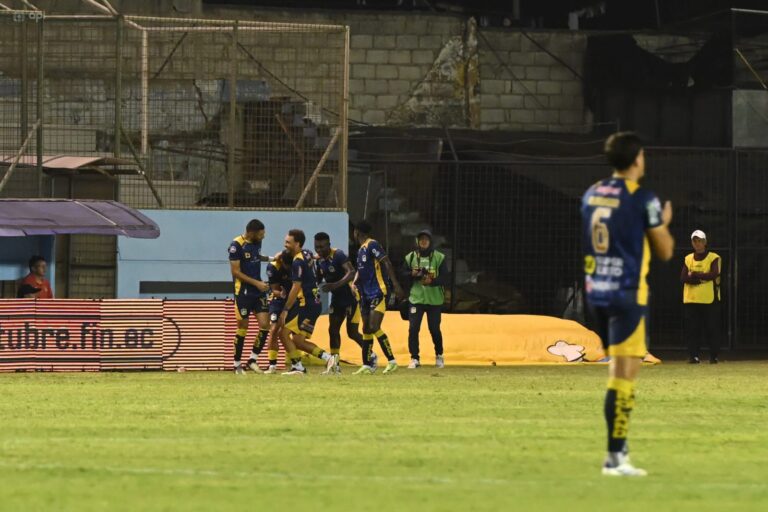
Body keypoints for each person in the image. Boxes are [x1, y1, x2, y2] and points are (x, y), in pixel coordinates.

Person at [581, 132, 674, 477]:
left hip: (597, 291)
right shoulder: (642, 198)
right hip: (626, 293)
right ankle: (616, 456)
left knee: (615, 373)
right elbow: (664, 250)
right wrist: (662, 222)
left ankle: (616, 454)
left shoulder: (592, 193)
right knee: (625, 376)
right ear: (636, 159)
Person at [278, 229, 337, 375]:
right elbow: (314, 258)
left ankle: (297, 367)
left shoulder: (297, 261)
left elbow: (295, 287)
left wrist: (285, 309)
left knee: (283, 333)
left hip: (306, 305)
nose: (285, 245)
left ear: (297, 243)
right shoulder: (307, 253)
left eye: (288, 242)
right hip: (314, 303)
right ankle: (329, 358)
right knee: (298, 341)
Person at [351, 220, 406, 375]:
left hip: (377, 291)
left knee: (374, 326)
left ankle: (392, 361)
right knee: (366, 328)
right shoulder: (361, 249)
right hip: (364, 294)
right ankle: (367, 365)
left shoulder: (372, 244)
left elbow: (386, 262)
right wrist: (355, 281)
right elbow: (362, 269)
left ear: (357, 232)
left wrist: (396, 285)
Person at [314, 232, 370, 373]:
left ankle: (370, 356)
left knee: (352, 333)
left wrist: (335, 285)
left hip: (351, 298)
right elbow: (319, 279)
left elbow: (351, 272)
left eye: (321, 247)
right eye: (316, 247)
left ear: (328, 245)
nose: (319, 250)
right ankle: (335, 364)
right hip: (337, 300)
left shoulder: (338, 255)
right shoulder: (319, 261)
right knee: (333, 330)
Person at [229, 219, 272, 375]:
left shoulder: (256, 243)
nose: (263, 236)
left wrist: (272, 259)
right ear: (252, 233)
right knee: (242, 328)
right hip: (243, 293)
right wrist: (257, 283)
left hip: (258, 291)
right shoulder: (236, 245)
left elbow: (256, 257)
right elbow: (236, 272)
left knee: (265, 325)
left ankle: (252, 359)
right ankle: (237, 364)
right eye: (261, 234)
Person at [402, 229, 448, 369]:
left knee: (434, 328)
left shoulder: (439, 257)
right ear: (417, 241)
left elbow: (445, 278)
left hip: (435, 300)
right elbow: (402, 274)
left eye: (426, 239)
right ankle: (414, 358)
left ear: (430, 241)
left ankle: (439, 355)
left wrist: (431, 281)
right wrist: (412, 274)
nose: (423, 242)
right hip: (416, 299)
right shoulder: (410, 257)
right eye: (421, 239)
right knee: (413, 328)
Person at [680, 229, 721, 364]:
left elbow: (713, 274)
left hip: (709, 299)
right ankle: (694, 356)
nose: (697, 244)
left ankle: (713, 356)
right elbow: (683, 278)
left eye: (700, 241)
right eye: (695, 241)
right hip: (691, 299)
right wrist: (699, 279)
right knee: (692, 329)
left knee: (711, 328)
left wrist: (695, 275)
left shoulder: (714, 257)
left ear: (705, 242)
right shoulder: (688, 258)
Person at [263, 250, 294, 374]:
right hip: (278, 300)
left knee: (291, 333)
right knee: (274, 329)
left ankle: (296, 363)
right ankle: (272, 365)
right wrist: (280, 294)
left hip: (293, 300)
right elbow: (273, 289)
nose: (289, 268)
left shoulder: (296, 263)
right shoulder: (273, 267)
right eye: (287, 265)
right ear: (282, 262)